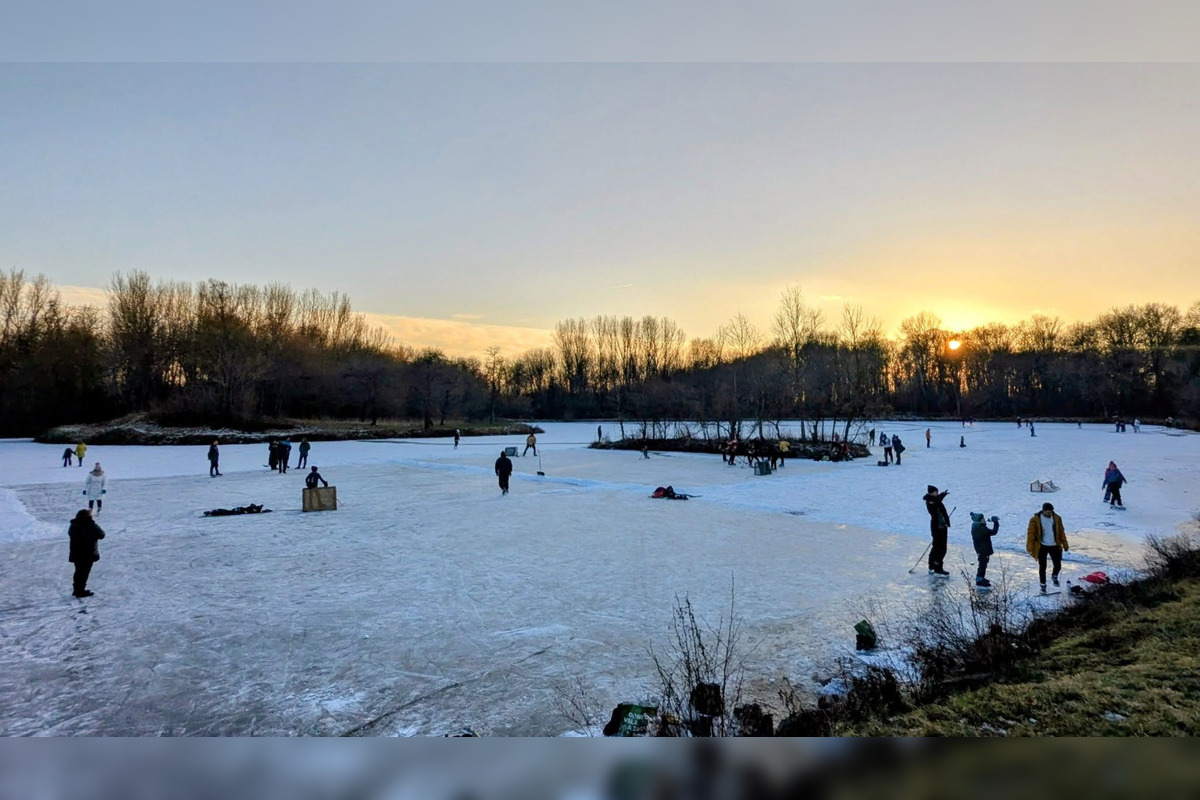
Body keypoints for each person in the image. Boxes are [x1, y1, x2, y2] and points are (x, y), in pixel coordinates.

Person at [1026, 501, 1069, 591]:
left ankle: (1054, 576)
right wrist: (1030, 547)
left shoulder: (1057, 518)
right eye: (1048, 512)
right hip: (1042, 546)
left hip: (1055, 545)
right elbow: (1031, 533)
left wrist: (1065, 543)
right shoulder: (1035, 519)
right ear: (1043, 511)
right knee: (1042, 566)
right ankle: (1043, 585)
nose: (1050, 514)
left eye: (1051, 512)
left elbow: (1061, 531)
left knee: (1058, 565)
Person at [68, 508, 105, 598]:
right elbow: (101, 535)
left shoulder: (73, 525)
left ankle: (77, 589)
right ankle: (80, 591)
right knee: (84, 572)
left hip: (76, 552)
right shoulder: (91, 525)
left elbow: (70, 534)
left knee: (78, 571)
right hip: (88, 553)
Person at [923, 485, 951, 576]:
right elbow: (936, 502)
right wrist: (942, 495)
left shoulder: (934, 499)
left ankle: (934, 566)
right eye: (936, 492)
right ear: (931, 493)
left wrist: (942, 495)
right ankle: (936, 567)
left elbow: (938, 501)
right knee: (938, 548)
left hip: (942, 526)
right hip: (937, 527)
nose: (937, 493)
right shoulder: (930, 501)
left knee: (940, 548)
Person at [969, 512, 1000, 587]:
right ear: (980, 520)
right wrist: (996, 523)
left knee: (983, 564)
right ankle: (979, 579)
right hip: (983, 549)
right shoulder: (981, 528)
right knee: (983, 564)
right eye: (983, 518)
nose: (984, 520)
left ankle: (981, 578)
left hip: (980, 549)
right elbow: (993, 532)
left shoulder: (976, 527)